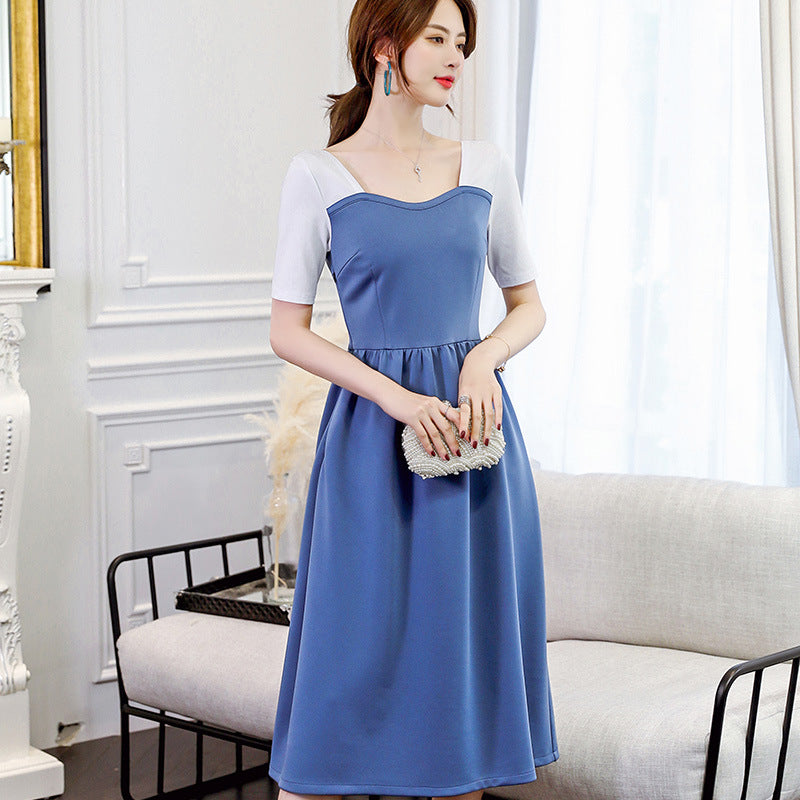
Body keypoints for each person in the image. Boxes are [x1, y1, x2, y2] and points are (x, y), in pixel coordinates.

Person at [267, 0, 559, 798]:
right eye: (437, 38)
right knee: (349, 649)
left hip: (473, 440)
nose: (456, 55)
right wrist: (395, 397)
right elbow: (287, 331)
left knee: (456, 664)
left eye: (462, 41)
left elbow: (528, 306)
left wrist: (484, 359)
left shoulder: (485, 167)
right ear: (383, 46)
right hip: (370, 444)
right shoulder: (318, 175)